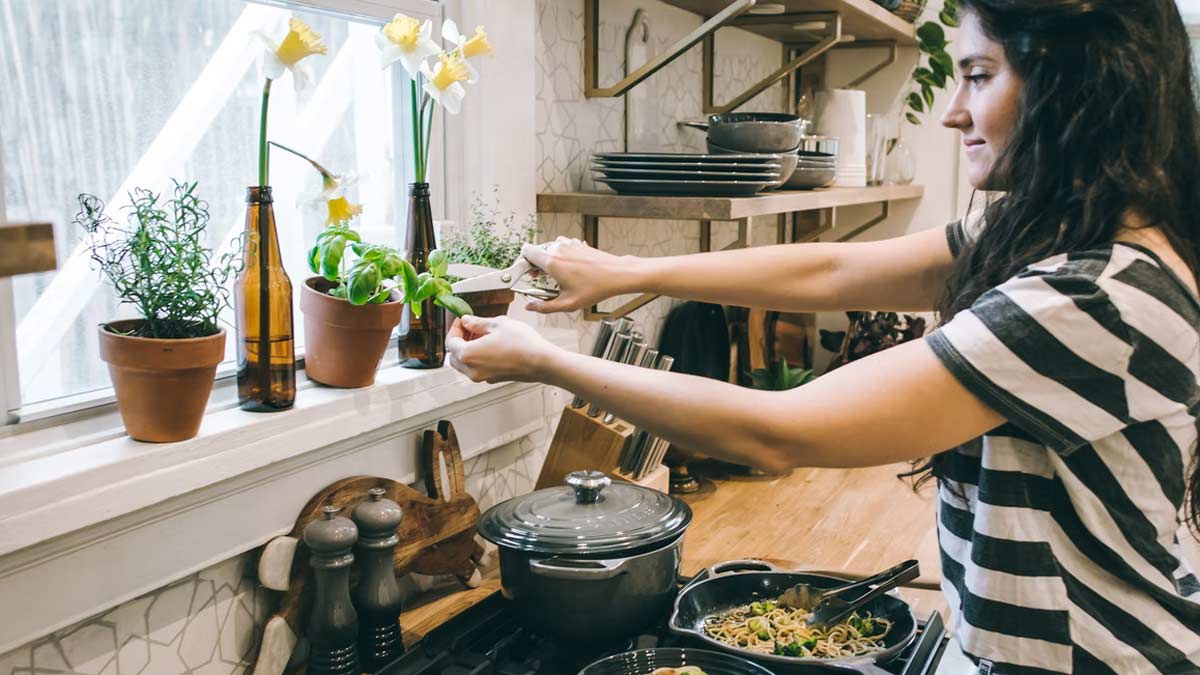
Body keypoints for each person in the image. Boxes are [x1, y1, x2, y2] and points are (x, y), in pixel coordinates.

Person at [446, 0, 1200, 671]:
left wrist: (548, 362)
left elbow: (780, 429)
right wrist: (628, 270)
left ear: (1076, 83)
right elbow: (837, 271)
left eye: (978, 74)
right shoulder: (1055, 229)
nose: (952, 112)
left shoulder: (1089, 292)